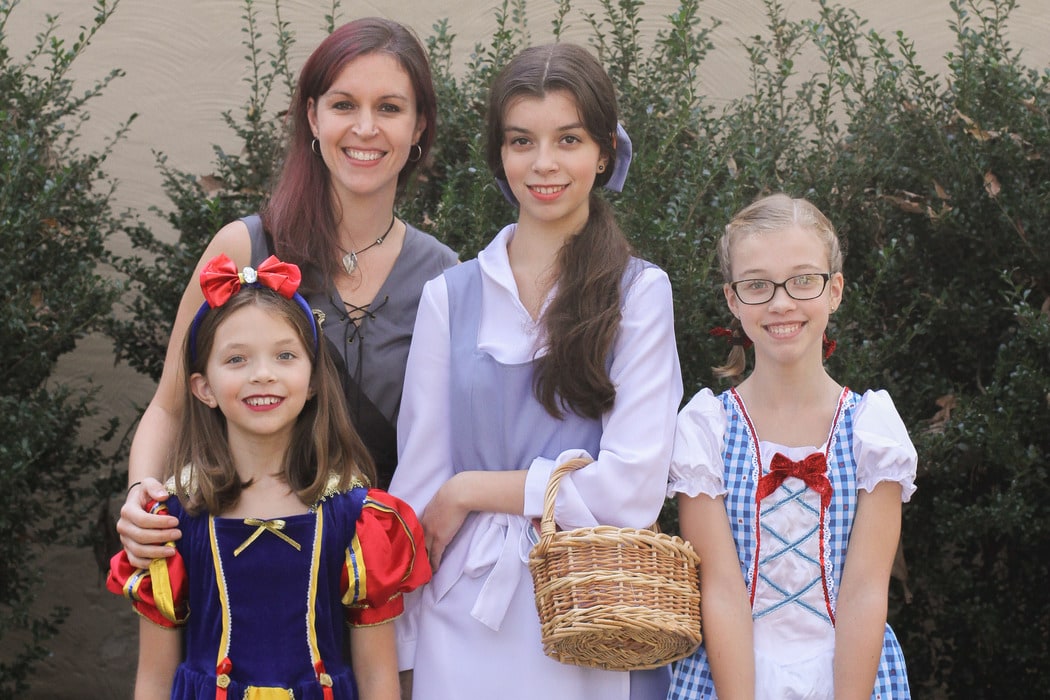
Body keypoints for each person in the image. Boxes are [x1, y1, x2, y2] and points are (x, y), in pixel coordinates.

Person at [388, 43, 683, 700]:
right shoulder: (451, 297)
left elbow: (631, 491)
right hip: (461, 616)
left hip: (592, 616)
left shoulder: (639, 293)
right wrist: (399, 652)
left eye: (568, 139)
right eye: (522, 141)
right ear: (499, 155)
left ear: (605, 151)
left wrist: (472, 490)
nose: (544, 163)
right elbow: (418, 493)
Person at [118, 17, 458, 568]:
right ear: (313, 116)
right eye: (344, 104)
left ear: (419, 126)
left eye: (390, 108)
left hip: (379, 578)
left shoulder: (445, 277)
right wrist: (140, 494)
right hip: (243, 566)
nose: (365, 128)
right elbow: (170, 405)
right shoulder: (246, 246)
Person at [107, 254, 431, 699]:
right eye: (237, 359)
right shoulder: (173, 521)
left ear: (314, 378)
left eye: (284, 355)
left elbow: (378, 677)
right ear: (203, 387)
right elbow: (154, 679)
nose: (263, 375)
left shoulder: (358, 519)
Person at [666, 193, 916, 699]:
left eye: (804, 280)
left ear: (835, 290)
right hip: (731, 677)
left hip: (851, 675)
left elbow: (866, 590)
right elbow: (719, 589)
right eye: (757, 284)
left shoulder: (871, 428)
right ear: (733, 299)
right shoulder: (705, 428)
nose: (782, 302)